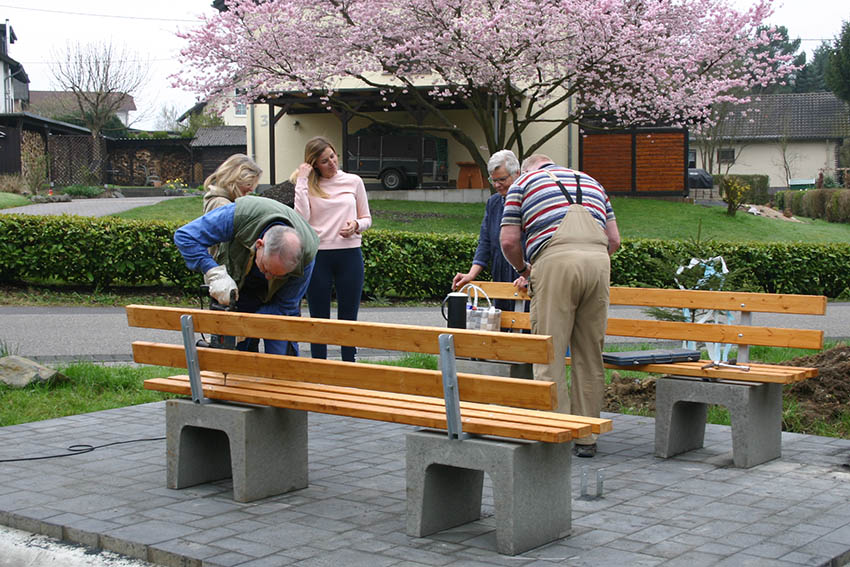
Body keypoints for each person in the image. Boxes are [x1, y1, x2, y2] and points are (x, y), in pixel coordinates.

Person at [500, 154, 620, 458]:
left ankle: (557, 433)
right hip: (598, 263)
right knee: (590, 353)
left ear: (527, 168)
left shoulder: (523, 183)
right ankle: (587, 436)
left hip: (554, 262)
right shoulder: (592, 182)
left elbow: (509, 242)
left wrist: (524, 271)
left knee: (549, 350)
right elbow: (614, 240)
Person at [174, 196, 319, 356]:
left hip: (276, 307)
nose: (269, 277)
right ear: (259, 245)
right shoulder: (240, 216)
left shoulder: (306, 256)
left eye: (278, 275)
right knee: (233, 362)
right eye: (266, 269)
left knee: (282, 361)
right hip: (237, 290)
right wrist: (215, 273)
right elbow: (186, 237)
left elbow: (284, 306)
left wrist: (246, 328)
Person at [293, 136, 372, 362]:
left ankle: (349, 365)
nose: (332, 163)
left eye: (333, 156)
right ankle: (320, 365)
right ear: (314, 164)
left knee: (348, 316)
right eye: (325, 161)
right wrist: (301, 180)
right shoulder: (308, 185)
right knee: (319, 317)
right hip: (319, 256)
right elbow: (301, 218)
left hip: (349, 254)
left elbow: (366, 217)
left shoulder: (354, 181)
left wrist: (356, 225)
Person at [451, 149, 523, 312]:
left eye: (502, 179)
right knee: (501, 326)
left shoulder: (529, 200)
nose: (497, 185)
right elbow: (485, 242)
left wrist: (527, 274)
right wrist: (471, 274)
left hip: (524, 274)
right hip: (500, 272)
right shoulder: (494, 203)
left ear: (517, 174)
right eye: (493, 180)